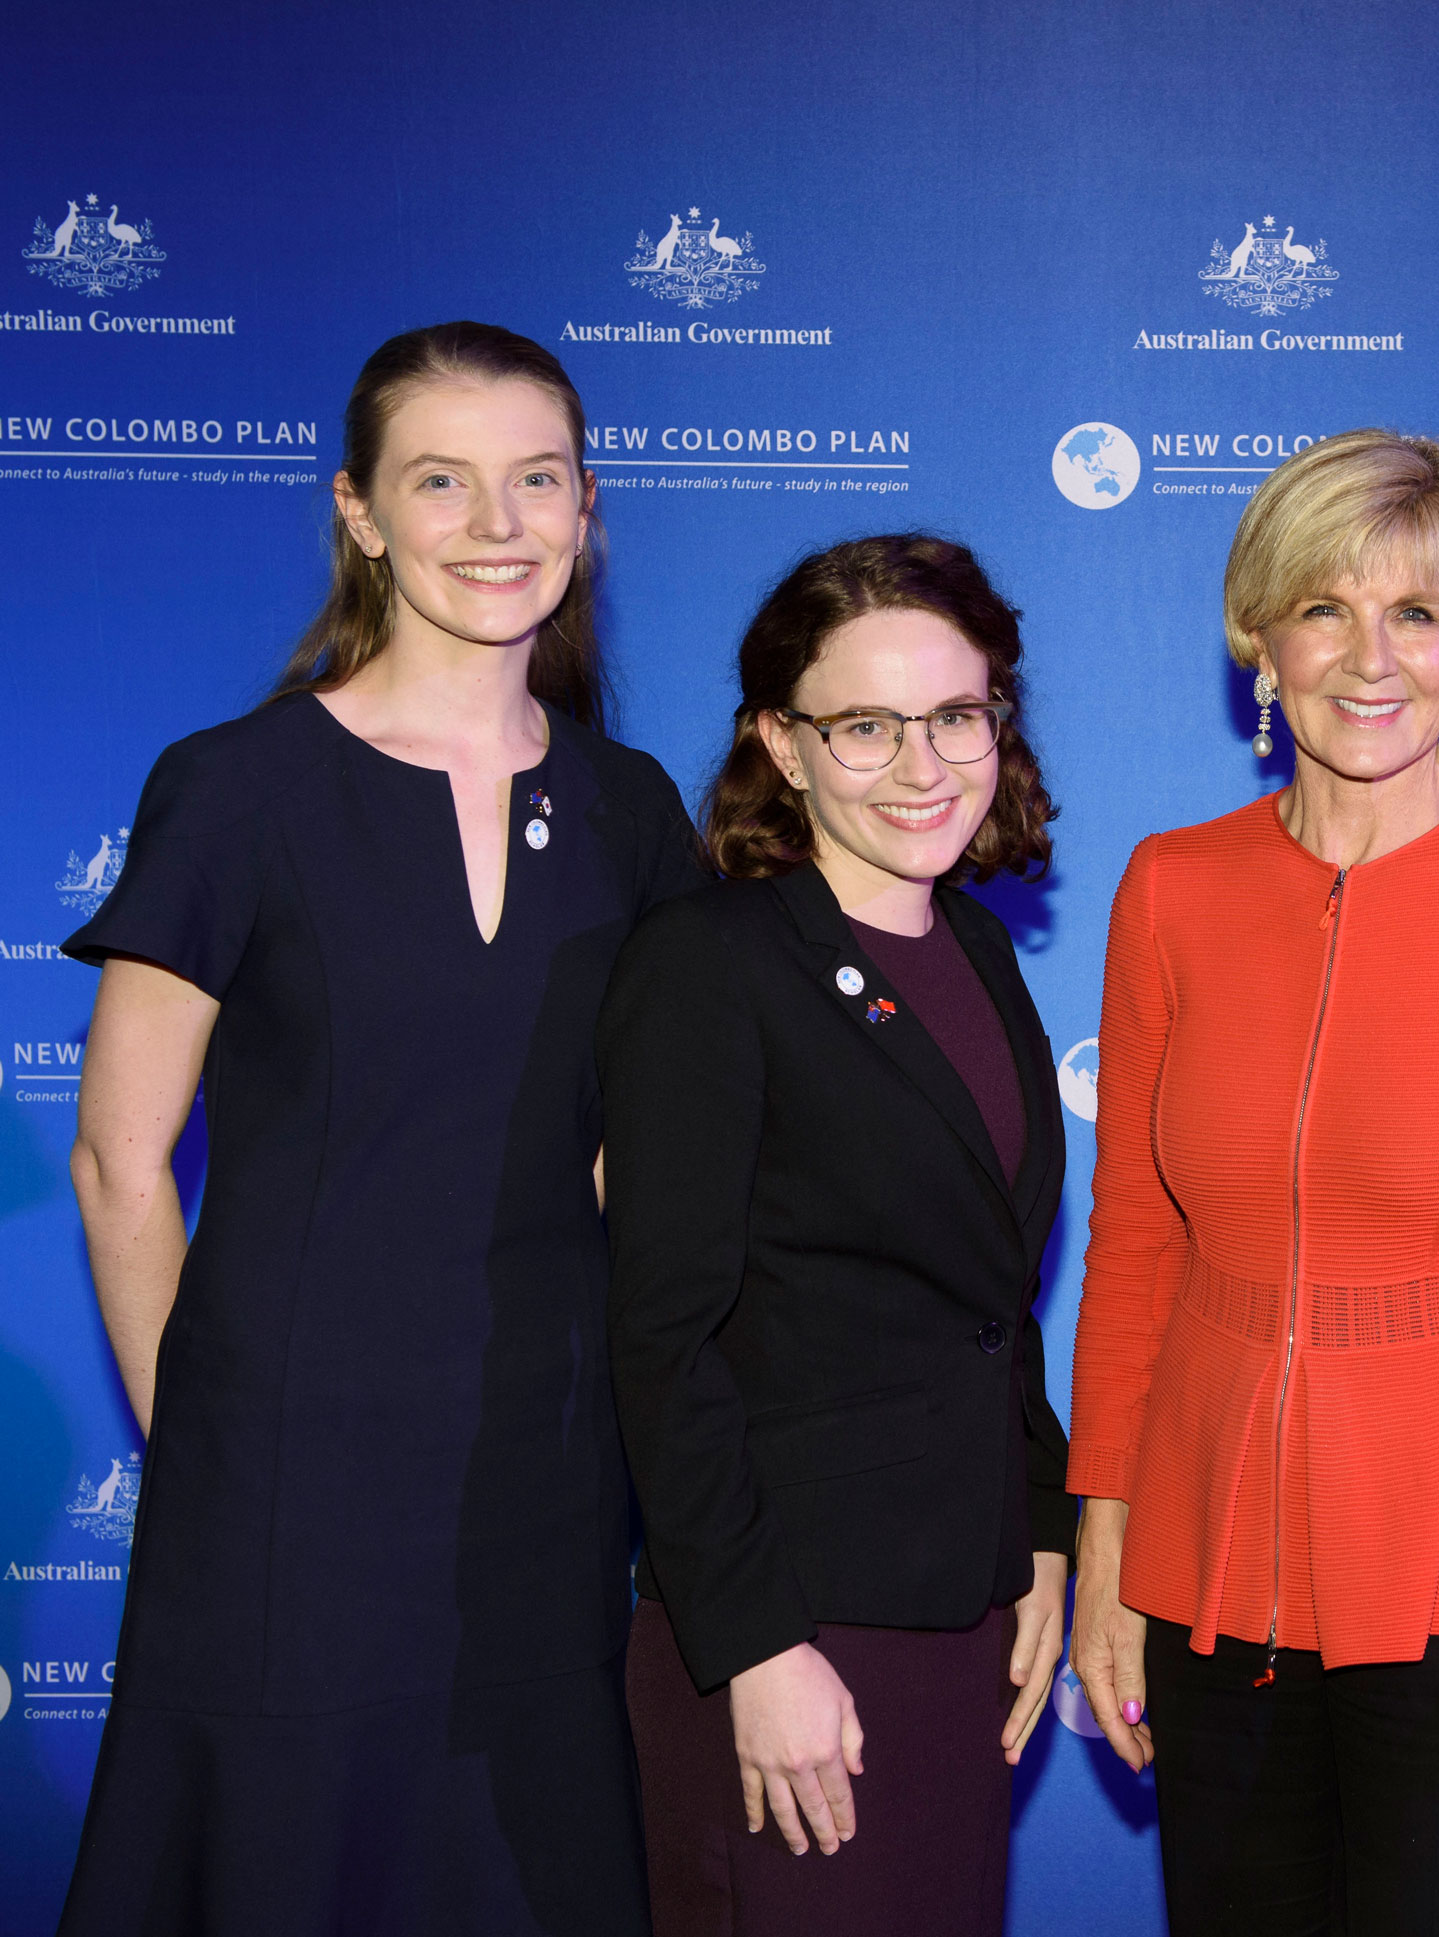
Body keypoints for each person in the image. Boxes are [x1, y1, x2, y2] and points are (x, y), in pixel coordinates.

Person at [59, 321, 706, 1934]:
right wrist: (199, 1441)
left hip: (547, 1484)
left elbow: (642, 1163)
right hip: (280, 1491)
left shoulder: (631, 809)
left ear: (586, 505)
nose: (497, 523)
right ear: (360, 512)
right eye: (442, 481)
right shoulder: (236, 786)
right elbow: (119, 1162)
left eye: (535, 479)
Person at [1068, 430, 1439, 1936]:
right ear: (1256, 637)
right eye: (1323, 607)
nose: (1369, 656)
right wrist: (1104, 1551)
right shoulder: (1170, 887)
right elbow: (1135, 1244)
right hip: (1202, 1576)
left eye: (1416, 612)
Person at [599, 535, 1074, 1937]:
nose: (921, 764)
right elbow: (662, 1335)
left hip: (962, 1613)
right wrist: (751, 1643)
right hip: (791, 1634)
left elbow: (989, 1294)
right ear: (781, 745)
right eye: (863, 725)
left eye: (955, 715)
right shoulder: (712, 964)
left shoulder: (978, 952)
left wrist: (1039, 1529)